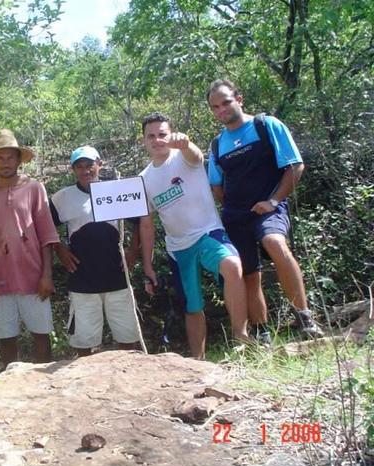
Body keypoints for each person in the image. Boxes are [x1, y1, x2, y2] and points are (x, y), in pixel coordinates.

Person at [206, 79, 323, 338]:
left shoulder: (266, 125)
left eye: (226, 102)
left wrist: (273, 201)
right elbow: (216, 185)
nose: (222, 109)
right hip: (236, 215)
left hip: (270, 207)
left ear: (239, 99)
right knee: (248, 273)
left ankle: (305, 319)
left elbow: (294, 166)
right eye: (215, 107)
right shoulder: (217, 145)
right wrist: (231, 208)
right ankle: (261, 333)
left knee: (275, 243)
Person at [139, 113, 251, 359]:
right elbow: (146, 226)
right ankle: (197, 362)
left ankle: (242, 339)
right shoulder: (143, 180)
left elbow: (197, 156)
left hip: (208, 233)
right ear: (144, 141)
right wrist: (147, 267)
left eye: (162, 134)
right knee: (192, 306)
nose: (158, 140)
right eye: (151, 136)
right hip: (178, 248)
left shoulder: (184, 156)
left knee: (232, 265)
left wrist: (186, 143)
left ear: (171, 134)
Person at [0, 129, 59, 368]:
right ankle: (10, 391)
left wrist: (47, 275)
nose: (5, 162)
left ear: (19, 159)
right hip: (0, 279)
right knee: (7, 338)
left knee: (41, 335)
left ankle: (45, 388)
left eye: (10, 157)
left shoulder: (34, 188)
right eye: (0, 157)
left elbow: (47, 235)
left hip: (34, 275)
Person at [50, 146, 141, 356]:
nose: (85, 170)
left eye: (89, 165)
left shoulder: (115, 191)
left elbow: (139, 221)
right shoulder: (64, 197)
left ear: (99, 164)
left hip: (118, 276)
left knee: (128, 338)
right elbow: (44, 225)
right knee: (84, 342)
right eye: (79, 167)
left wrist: (133, 251)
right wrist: (60, 249)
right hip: (82, 278)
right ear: (73, 170)